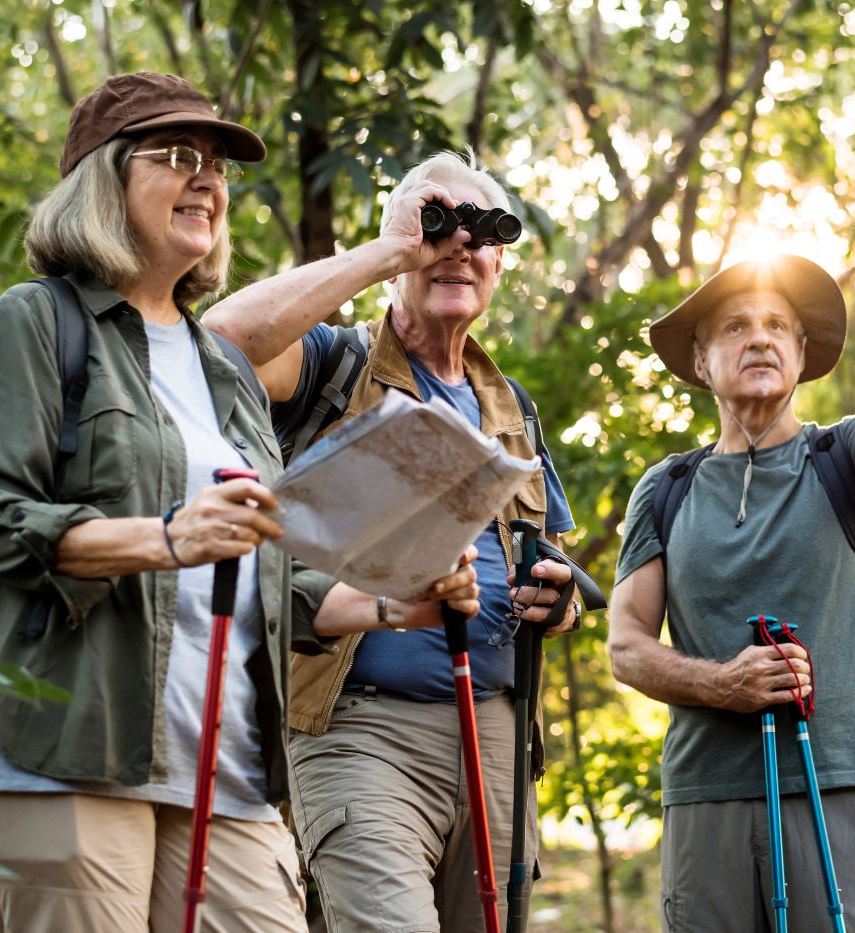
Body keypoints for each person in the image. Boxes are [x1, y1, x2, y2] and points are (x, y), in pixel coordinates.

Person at [0, 72, 476, 933]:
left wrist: (392, 603)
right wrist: (166, 535)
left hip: (224, 769)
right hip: (51, 746)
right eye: (179, 156)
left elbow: (267, 571)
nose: (208, 180)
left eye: (217, 165)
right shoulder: (37, 321)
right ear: (103, 179)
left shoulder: (223, 372)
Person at [204, 150, 581, 931]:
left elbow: (549, 560)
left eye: (482, 233)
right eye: (439, 225)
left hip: (500, 736)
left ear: (502, 261)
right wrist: (390, 251)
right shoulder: (332, 362)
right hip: (360, 729)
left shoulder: (513, 406)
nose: (460, 247)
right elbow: (222, 340)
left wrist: (562, 600)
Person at [607, 165, 855, 932]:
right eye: (734, 326)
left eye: (776, 325)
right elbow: (625, 647)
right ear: (700, 362)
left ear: (800, 351)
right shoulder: (667, 488)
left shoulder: (847, 458)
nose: (757, 335)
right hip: (707, 798)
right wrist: (721, 683)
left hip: (844, 782)